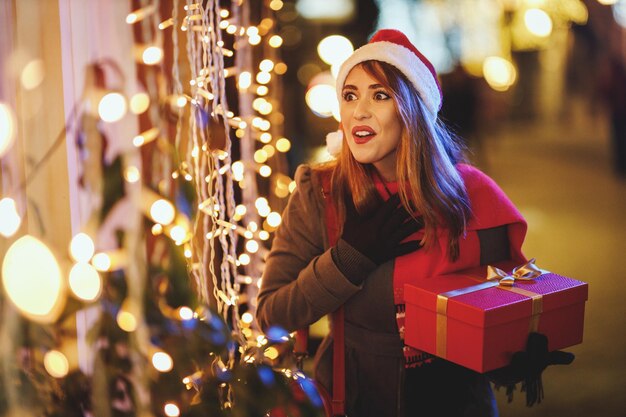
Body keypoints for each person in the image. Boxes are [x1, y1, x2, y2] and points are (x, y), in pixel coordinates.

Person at [257, 29, 535, 417]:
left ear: (414, 109)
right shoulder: (320, 192)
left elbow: (511, 297)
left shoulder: (473, 194)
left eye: (381, 95)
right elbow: (273, 313)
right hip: (356, 401)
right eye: (350, 95)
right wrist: (348, 260)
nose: (359, 111)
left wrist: (515, 350)